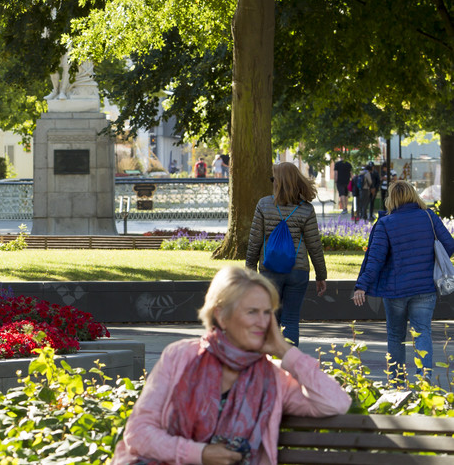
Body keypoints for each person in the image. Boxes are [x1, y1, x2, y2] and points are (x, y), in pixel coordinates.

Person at [111, 267, 350, 465]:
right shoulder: (180, 357)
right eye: (252, 312)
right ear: (222, 315)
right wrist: (200, 454)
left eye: (267, 313)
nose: (263, 322)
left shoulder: (273, 378)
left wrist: (285, 351)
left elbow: (336, 403)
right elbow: (139, 433)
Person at [352, 181, 454, 383]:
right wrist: (429, 261)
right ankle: (425, 382)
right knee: (422, 332)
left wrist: (362, 285)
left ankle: (397, 382)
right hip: (425, 287)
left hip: (395, 290)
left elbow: (375, 259)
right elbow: (449, 245)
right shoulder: (429, 217)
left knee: (396, 336)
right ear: (414, 195)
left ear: (392, 198)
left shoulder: (385, 223)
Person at [245, 162, 327, 346]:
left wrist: (250, 268)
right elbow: (314, 245)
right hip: (298, 270)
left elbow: (255, 240)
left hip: (269, 270)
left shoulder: (264, 205)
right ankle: (288, 366)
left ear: (278, 182)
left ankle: (271, 364)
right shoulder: (306, 209)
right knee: (291, 320)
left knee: (271, 319)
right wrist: (321, 275)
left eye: (273, 179)